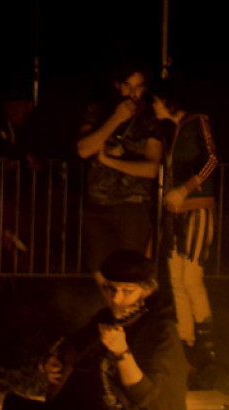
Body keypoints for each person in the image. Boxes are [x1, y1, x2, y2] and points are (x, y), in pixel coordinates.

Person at [1, 250, 188, 410]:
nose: (116, 299)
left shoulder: (161, 332)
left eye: (127, 291)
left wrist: (122, 353)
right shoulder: (106, 318)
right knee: (15, 408)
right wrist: (52, 363)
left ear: (147, 290)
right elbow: (72, 346)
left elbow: (144, 396)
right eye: (111, 289)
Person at [151, 79, 219, 368]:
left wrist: (185, 189)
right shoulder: (170, 130)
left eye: (155, 101)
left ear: (168, 101)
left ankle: (207, 347)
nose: (152, 106)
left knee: (191, 279)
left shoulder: (197, 122)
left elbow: (212, 159)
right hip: (175, 213)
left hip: (196, 211)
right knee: (177, 281)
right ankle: (185, 340)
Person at [76, 65, 162, 284]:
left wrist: (109, 161)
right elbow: (84, 149)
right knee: (100, 270)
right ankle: (116, 313)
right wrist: (115, 119)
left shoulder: (151, 118)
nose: (133, 94)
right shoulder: (98, 111)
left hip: (133, 204)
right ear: (117, 85)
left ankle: (133, 315)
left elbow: (152, 169)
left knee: (132, 272)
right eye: (128, 86)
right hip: (98, 203)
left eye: (139, 87)